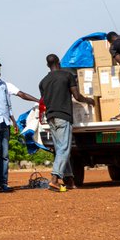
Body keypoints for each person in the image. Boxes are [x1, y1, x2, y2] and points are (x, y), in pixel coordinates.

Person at [0, 58, 40, 193]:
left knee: (4, 155)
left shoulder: (4, 85)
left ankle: (4, 183)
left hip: (5, 122)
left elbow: (8, 104)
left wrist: (13, 120)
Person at [38, 53, 95, 192]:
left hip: (50, 117)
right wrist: (89, 100)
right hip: (63, 116)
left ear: (47, 65)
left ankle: (69, 180)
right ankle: (54, 179)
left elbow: (44, 101)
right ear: (59, 62)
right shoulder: (67, 76)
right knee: (64, 149)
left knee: (60, 150)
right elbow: (77, 96)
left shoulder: (43, 82)